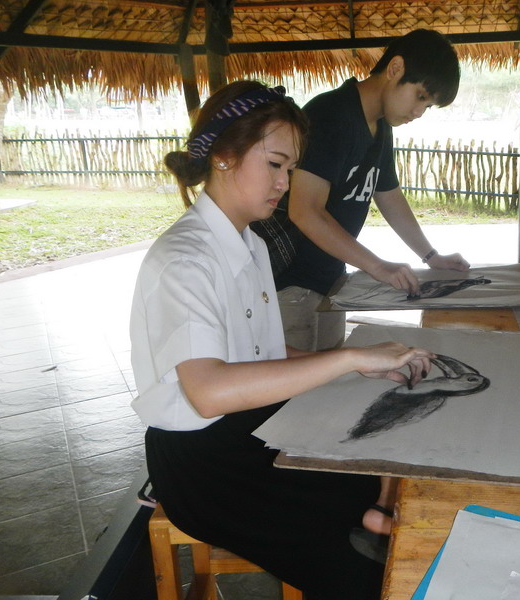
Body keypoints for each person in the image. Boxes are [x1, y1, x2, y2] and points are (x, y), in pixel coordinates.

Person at [129, 81, 435, 600]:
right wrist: (347, 357)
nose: (284, 183)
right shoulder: (185, 260)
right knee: (355, 565)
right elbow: (208, 392)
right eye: (274, 164)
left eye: (290, 169)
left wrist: (354, 366)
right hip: (202, 464)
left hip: (242, 428)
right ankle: (366, 548)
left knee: (362, 463)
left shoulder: (248, 243)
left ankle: (370, 519)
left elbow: (262, 354)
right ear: (224, 156)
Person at [273, 29, 470, 352]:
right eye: (420, 96)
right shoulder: (331, 115)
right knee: (293, 382)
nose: (419, 112)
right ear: (395, 69)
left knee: (330, 377)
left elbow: (388, 195)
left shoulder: (381, 127)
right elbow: (304, 210)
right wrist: (377, 266)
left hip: (331, 280)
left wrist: (431, 256)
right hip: (290, 285)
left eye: (428, 106)